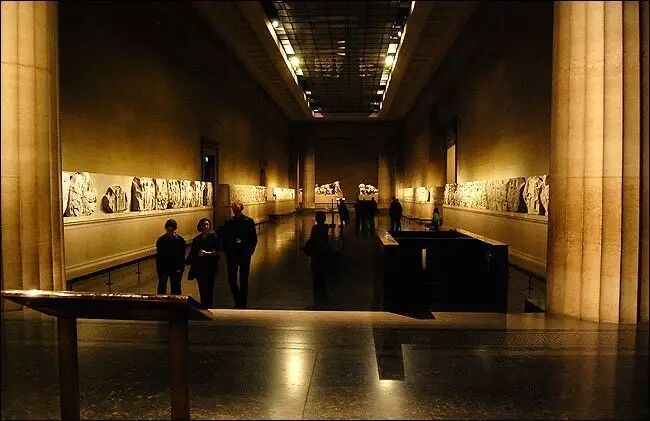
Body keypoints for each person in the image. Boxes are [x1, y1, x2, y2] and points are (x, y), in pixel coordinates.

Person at [221, 200, 258, 308]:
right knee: (231, 280)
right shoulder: (229, 222)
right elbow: (225, 238)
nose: (235, 212)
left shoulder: (248, 221)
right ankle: (238, 300)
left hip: (244, 254)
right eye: (234, 210)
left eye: (237, 210)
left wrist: (250, 250)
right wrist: (227, 249)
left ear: (241, 209)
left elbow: (253, 238)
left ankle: (242, 303)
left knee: (244, 279)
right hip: (232, 254)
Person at [186, 218, 220, 309]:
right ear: (200, 226)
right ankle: (204, 306)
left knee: (209, 288)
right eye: (204, 225)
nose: (205, 226)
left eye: (207, 224)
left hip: (210, 267)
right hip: (200, 267)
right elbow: (192, 253)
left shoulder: (213, 238)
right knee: (202, 288)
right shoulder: (197, 239)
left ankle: (209, 306)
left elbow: (218, 252)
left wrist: (207, 253)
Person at [155, 219, 186, 295]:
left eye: (171, 230)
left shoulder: (180, 240)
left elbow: (182, 256)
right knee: (163, 288)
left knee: (175, 288)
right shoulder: (161, 240)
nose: (170, 232)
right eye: (169, 230)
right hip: (165, 267)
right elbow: (159, 256)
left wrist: (181, 268)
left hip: (174, 267)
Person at [307, 211, 331, 307]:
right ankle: (323, 286)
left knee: (316, 270)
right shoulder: (326, 227)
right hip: (323, 251)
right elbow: (326, 239)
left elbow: (312, 238)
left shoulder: (315, 228)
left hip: (316, 252)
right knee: (322, 269)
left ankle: (317, 288)